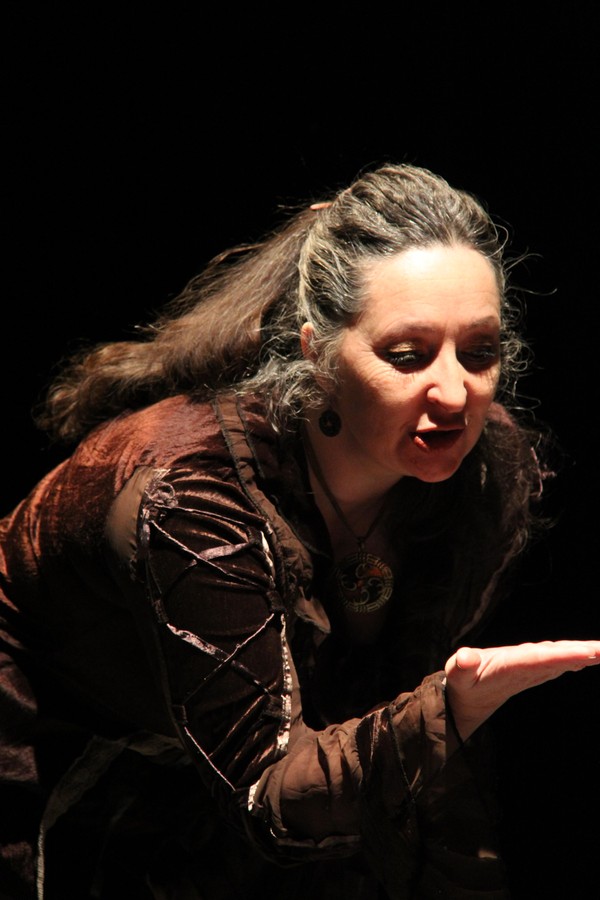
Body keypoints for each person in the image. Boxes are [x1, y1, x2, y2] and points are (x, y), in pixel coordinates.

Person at [0, 163, 598, 900]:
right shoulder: (194, 497)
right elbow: (271, 797)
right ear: (316, 350)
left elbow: (370, 730)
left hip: (235, 775)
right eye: (406, 356)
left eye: (480, 352)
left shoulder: (487, 474)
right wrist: (447, 711)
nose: (455, 393)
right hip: (54, 736)